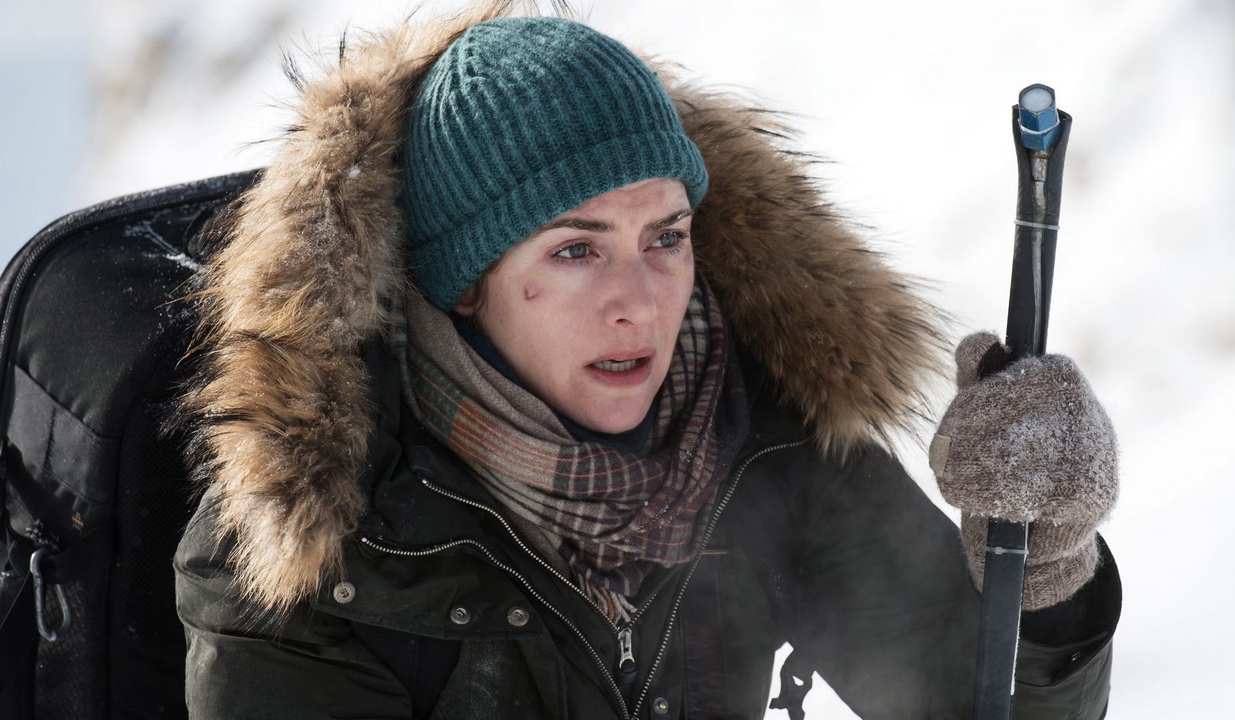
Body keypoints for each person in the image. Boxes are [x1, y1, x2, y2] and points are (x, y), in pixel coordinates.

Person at [174, 4, 1121, 718]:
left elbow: (973, 703)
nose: (640, 300)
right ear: (465, 284)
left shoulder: (763, 440)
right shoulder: (316, 564)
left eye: (666, 237)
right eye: (575, 250)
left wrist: (1045, 574)